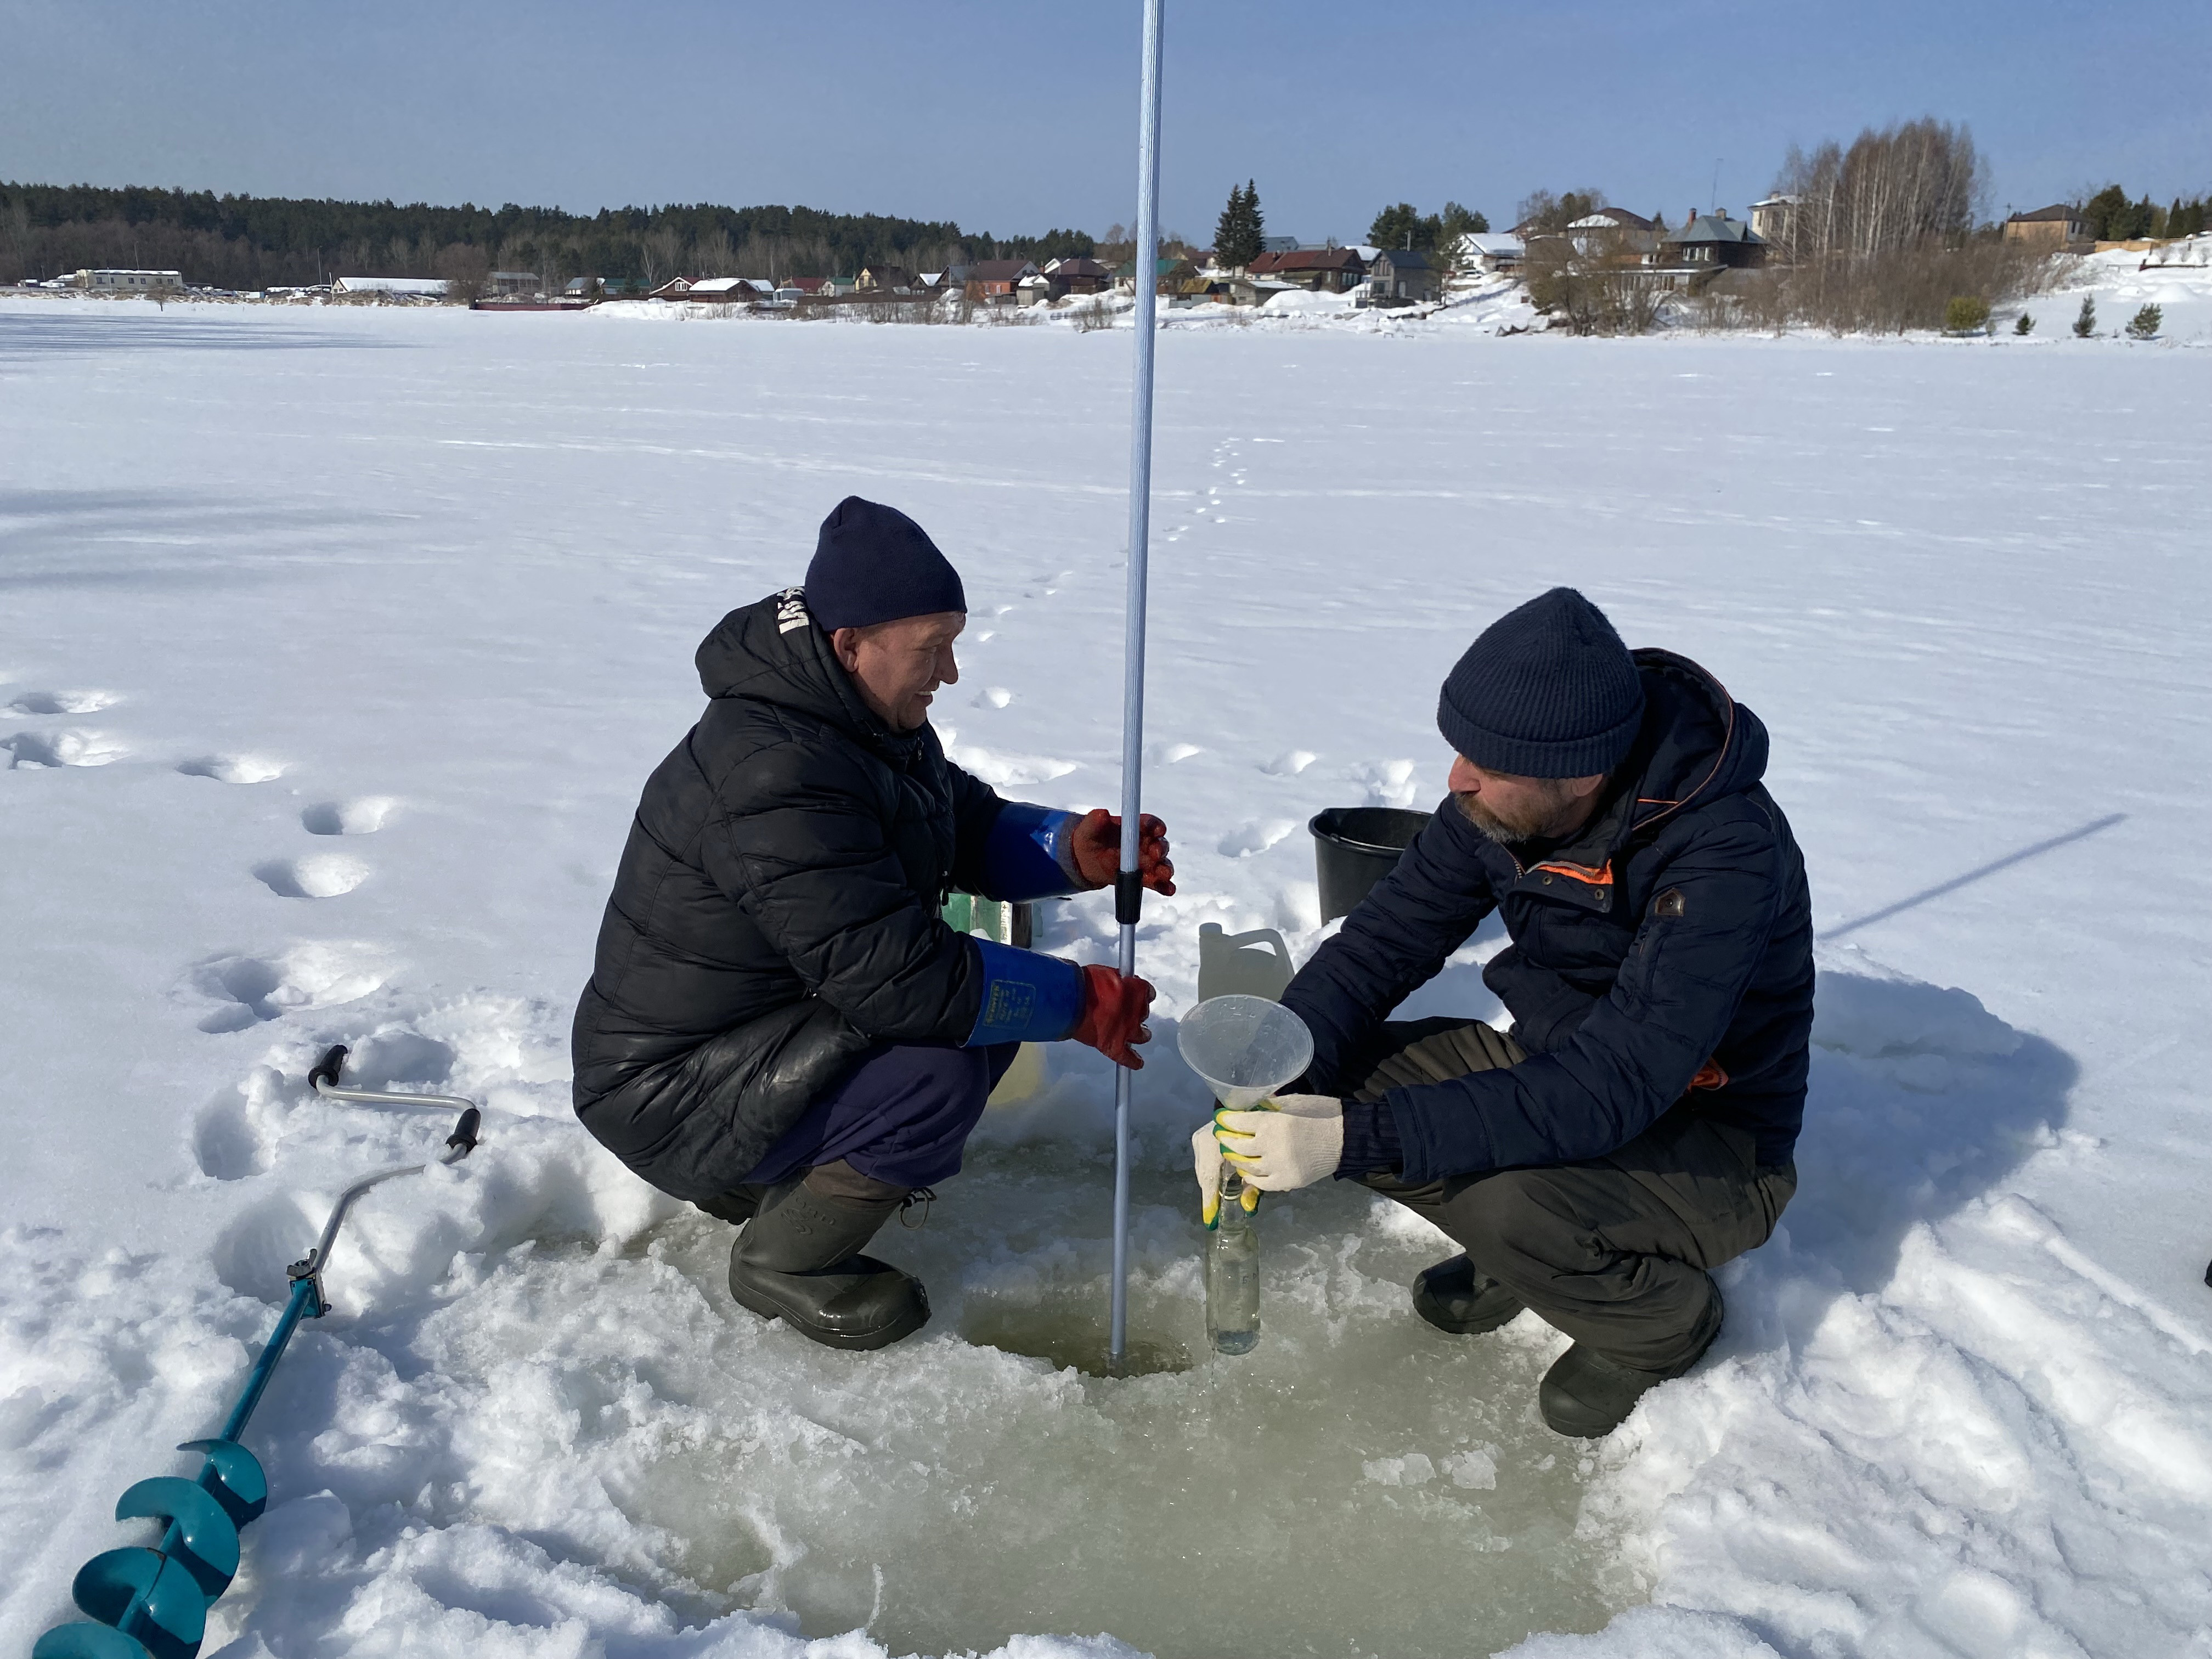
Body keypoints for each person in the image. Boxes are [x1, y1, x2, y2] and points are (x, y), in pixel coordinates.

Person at [1193, 588, 1813, 1436]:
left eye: (1487, 763)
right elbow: (1376, 949)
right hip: (1562, 1074)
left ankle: (1655, 1323)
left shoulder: (1722, 857)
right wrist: (1263, 1087)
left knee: (1504, 1199)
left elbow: (1614, 1086)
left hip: (1712, 1148)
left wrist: (1347, 1140)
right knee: (1346, 1075)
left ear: (1582, 775)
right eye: (1459, 750)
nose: (1456, 779)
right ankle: (1537, 1258)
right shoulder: (1505, 804)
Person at [573, 495, 1170, 1351]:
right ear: (852, 645)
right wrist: (1078, 1001)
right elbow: (907, 982)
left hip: (751, 1035)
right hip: (670, 1088)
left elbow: (956, 822)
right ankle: (784, 1261)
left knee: (980, 1021)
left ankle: (783, 1174)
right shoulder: (775, 772)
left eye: (954, 645)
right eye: (932, 651)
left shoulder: (857, 717)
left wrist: (1071, 849)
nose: (951, 673)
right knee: (941, 1062)